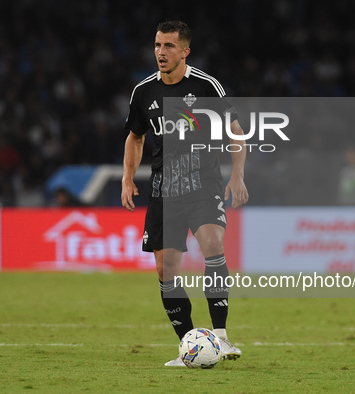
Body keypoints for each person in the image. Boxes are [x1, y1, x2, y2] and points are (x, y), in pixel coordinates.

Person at [121, 21, 249, 367]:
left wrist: (237, 176)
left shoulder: (206, 87)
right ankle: (189, 346)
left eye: (169, 46)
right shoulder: (143, 92)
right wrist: (127, 178)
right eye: (158, 45)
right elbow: (135, 137)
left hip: (204, 185)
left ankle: (221, 338)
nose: (161, 52)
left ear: (185, 51)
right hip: (164, 192)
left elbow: (237, 135)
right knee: (165, 270)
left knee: (212, 244)